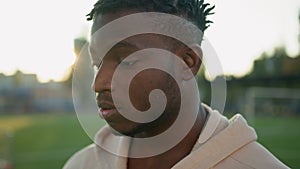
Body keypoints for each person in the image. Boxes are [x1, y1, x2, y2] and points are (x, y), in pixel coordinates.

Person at [63, 0, 289, 168]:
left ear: (187, 62)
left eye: (127, 61)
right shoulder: (81, 164)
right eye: (96, 63)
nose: (99, 83)